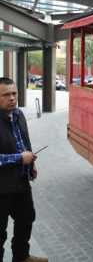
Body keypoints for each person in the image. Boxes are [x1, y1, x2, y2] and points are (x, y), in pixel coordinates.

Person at [0, 77, 47, 262]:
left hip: (20, 182)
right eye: (6, 95)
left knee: (26, 219)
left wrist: (31, 164)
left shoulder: (18, 114)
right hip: (1, 187)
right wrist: (20, 158)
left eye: (14, 93)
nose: (12, 98)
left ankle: (21, 256)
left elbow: (24, 143)